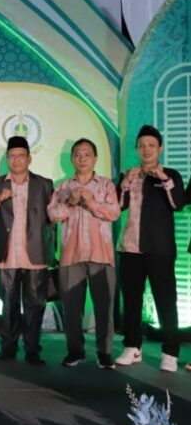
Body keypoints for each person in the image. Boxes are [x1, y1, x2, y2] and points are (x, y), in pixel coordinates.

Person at [116, 125, 185, 372]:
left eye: (151, 145)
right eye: (142, 146)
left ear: (160, 149)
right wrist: (125, 183)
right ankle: (132, 347)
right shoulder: (129, 174)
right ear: (137, 149)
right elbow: (118, 207)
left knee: (166, 301)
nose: (146, 150)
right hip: (130, 247)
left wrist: (164, 179)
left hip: (160, 249)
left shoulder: (171, 175)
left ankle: (170, 352)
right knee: (131, 300)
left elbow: (178, 204)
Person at [47, 138, 120, 369]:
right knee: (71, 308)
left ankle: (104, 352)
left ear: (95, 158)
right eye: (78, 154)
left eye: (87, 154)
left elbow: (114, 213)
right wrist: (70, 202)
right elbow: (53, 215)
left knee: (104, 307)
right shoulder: (62, 187)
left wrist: (92, 202)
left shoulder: (106, 185)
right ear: (72, 159)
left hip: (101, 255)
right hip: (71, 255)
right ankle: (75, 351)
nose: (82, 158)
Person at [0, 135, 54, 366]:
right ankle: (8, 348)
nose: (16, 160)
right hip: (6, 255)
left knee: (35, 305)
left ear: (29, 158)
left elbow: (52, 220)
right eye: (12, 156)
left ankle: (33, 350)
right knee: (8, 304)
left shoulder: (44, 184)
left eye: (21, 155)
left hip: (35, 255)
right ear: (7, 159)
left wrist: (51, 252)